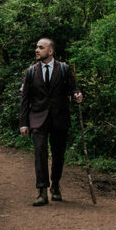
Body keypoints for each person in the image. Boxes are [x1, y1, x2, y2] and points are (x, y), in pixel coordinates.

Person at [19, 37, 82, 205]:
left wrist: (77, 94)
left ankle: (55, 186)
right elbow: (24, 99)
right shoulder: (31, 71)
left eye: (41, 47)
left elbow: (73, 87)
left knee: (58, 154)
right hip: (38, 118)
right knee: (40, 152)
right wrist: (23, 123)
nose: (37, 50)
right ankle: (41, 191)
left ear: (50, 51)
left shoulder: (64, 69)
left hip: (60, 117)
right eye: (37, 47)